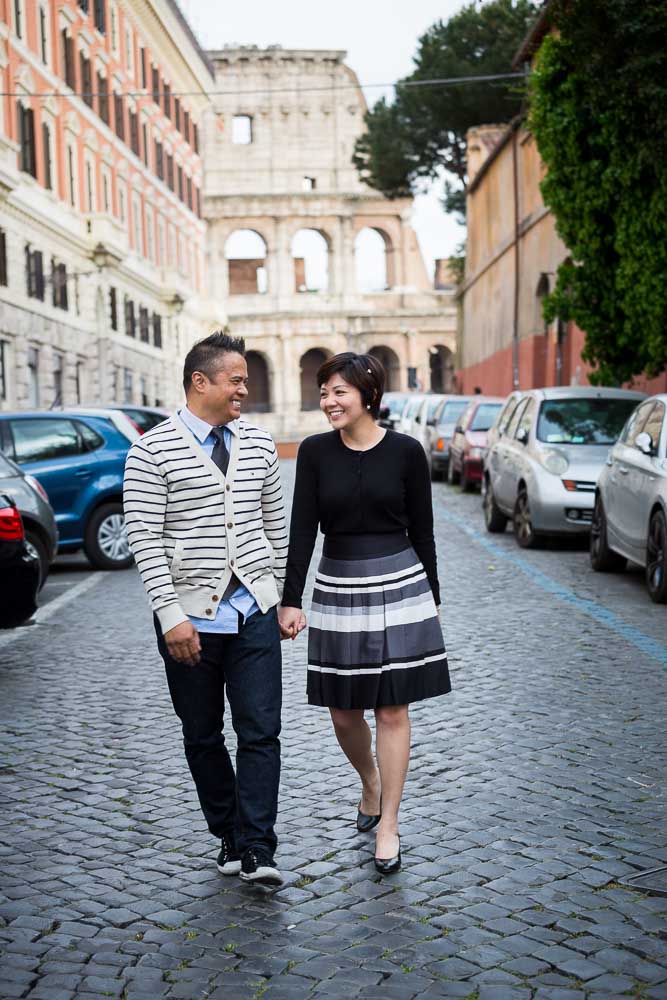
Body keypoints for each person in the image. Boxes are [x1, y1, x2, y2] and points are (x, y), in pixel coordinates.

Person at [123, 331, 288, 887]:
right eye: (236, 380)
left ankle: (260, 848)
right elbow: (143, 537)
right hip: (190, 620)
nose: (245, 388)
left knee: (262, 731)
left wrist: (284, 596)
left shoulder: (259, 444)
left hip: (255, 612)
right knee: (202, 733)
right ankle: (229, 834)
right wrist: (171, 615)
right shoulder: (150, 449)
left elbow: (274, 526)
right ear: (201, 381)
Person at [279, 353, 451, 874]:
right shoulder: (313, 453)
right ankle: (369, 781)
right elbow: (302, 528)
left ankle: (391, 824)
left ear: (368, 395)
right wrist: (291, 598)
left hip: (401, 584)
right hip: (337, 583)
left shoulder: (406, 452)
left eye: (339, 392)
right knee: (343, 710)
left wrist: (434, 597)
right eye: (324, 392)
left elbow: (423, 529)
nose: (328, 402)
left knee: (393, 710)